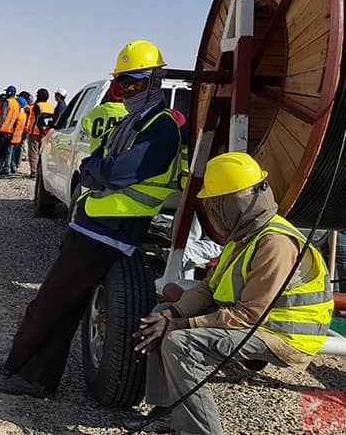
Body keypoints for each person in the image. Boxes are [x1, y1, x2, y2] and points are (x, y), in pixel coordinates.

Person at [0, 40, 181, 397]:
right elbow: (98, 161)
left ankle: (24, 373)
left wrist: (96, 169)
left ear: (155, 81)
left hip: (109, 233)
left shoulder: (161, 127)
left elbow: (122, 171)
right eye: (123, 82)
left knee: (48, 305)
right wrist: (96, 168)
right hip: (91, 226)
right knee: (64, 306)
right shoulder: (134, 121)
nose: (127, 89)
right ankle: (28, 373)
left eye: (134, 82)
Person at [126, 152, 333, 434]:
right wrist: (171, 314)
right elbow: (209, 288)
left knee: (180, 343)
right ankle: (167, 413)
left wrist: (180, 325)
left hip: (283, 336)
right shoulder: (245, 236)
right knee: (158, 316)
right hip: (258, 325)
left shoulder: (275, 243)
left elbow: (250, 316)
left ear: (231, 202)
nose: (212, 210)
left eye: (215, 202)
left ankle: (202, 431)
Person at [80, 80, 128, 154]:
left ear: (110, 92)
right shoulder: (132, 112)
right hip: (121, 161)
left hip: (97, 161)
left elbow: (84, 124)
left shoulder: (95, 112)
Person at [26, 88, 55, 178]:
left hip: (35, 132)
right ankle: (42, 171)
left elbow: (38, 120)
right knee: (43, 153)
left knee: (34, 153)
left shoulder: (37, 106)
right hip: (47, 133)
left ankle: (34, 172)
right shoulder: (51, 107)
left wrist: (41, 130)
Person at [4, 96, 28, 175]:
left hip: (12, 136)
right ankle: (13, 167)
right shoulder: (24, 115)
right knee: (13, 153)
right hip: (18, 137)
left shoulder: (17, 114)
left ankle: (7, 168)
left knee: (9, 153)